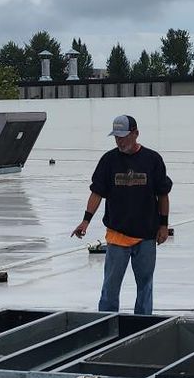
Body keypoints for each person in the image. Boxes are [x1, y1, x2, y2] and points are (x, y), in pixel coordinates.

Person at [73, 114, 173, 315]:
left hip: (146, 235)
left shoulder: (152, 160)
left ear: (136, 133)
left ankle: (143, 324)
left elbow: (163, 194)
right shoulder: (109, 160)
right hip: (117, 235)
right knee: (110, 287)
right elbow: (97, 192)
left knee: (145, 286)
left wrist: (163, 225)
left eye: (124, 136)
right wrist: (85, 221)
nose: (120, 141)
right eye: (117, 137)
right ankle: (106, 321)